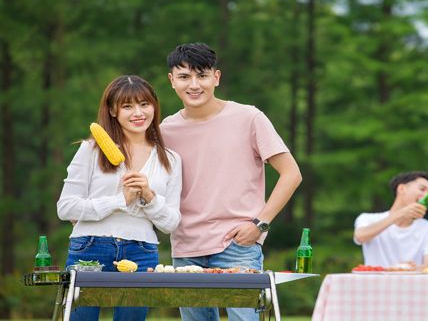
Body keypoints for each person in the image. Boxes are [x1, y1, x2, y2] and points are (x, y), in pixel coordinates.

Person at [160, 42, 302, 321]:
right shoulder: (165, 129)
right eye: (184, 76)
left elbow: (291, 174)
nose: (194, 85)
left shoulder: (248, 117)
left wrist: (259, 224)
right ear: (171, 81)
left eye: (202, 75)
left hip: (238, 245)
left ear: (216, 77)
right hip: (186, 247)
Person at [57, 75, 182, 321]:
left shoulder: (170, 159)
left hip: (142, 250)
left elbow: (170, 224)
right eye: (127, 106)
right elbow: (66, 207)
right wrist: (118, 201)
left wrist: (149, 196)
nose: (138, 113)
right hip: (89, 247)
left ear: (154, 107)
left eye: (144, 104)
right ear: (113, 110)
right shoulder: (92, 149)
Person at [353, 171, 428, 268]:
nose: (426, 196)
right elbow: (360, 236)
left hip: (412, 281)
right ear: (401, 189)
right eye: (422, 189)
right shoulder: (368, 218)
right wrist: (400, 214)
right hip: (374, 282)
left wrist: (406, 269)